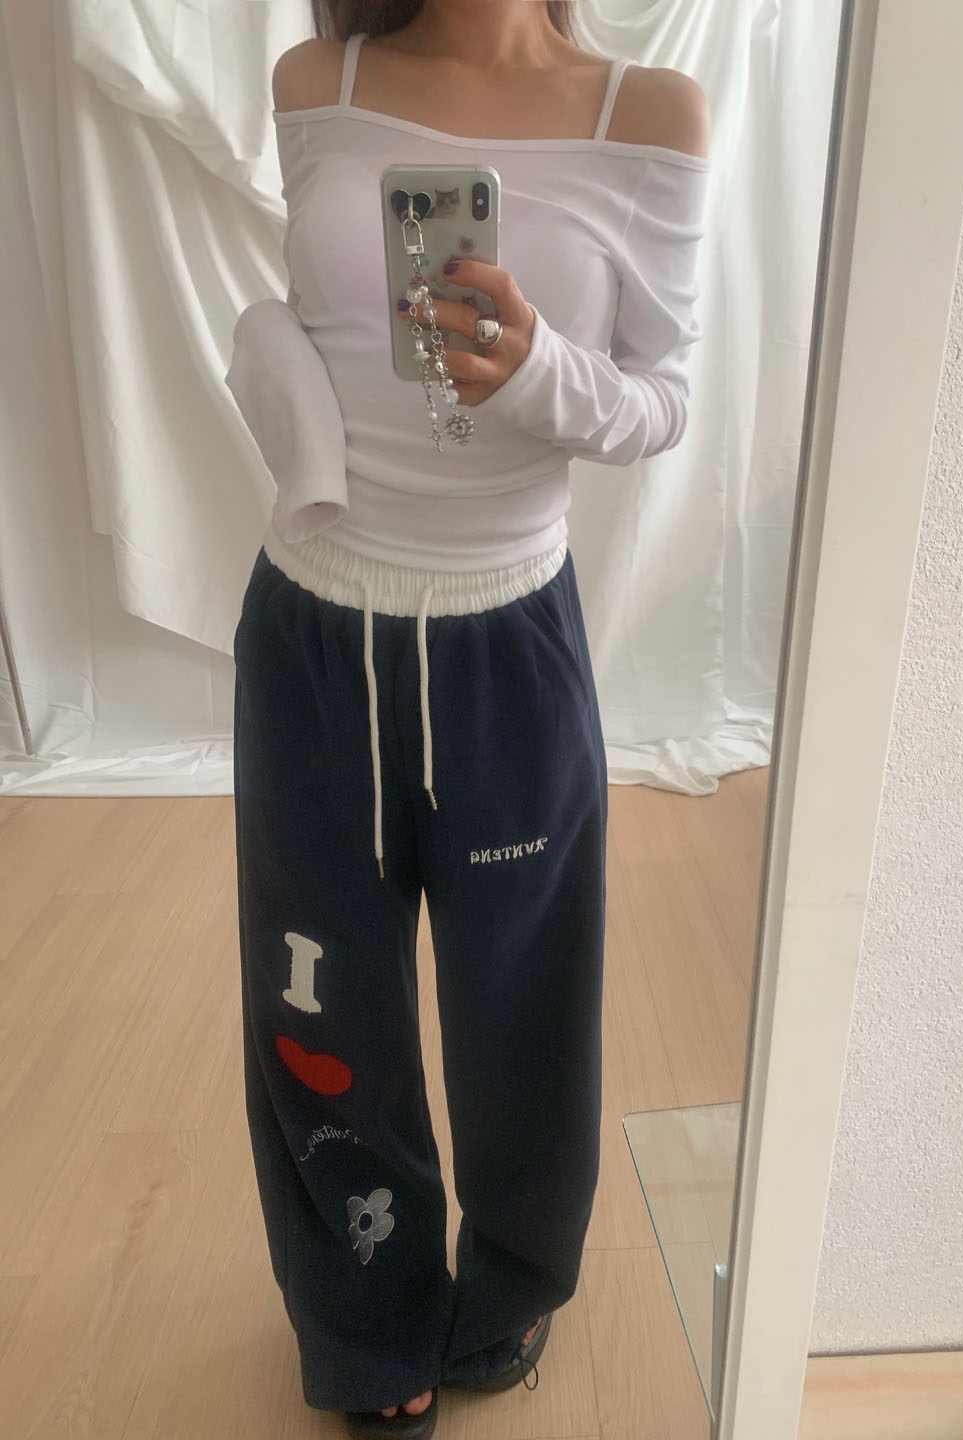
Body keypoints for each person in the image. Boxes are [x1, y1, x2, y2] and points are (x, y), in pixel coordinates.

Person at [225, 2, 710, 1435]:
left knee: (525, 1009)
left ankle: (510, 1282)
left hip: (510, 640)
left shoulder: (649, 114)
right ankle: (364, 1318)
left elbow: (666, 401)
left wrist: (539, 369)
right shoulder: (316, 80)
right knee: (322, 1009)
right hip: (313, 633)